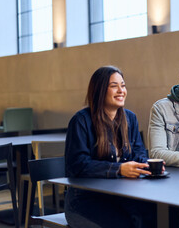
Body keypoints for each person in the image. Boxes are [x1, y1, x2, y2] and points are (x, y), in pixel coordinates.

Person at [64, 66, 156, 228]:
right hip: (85, 201)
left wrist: (146, 166)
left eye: (123, 85)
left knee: (157, 216)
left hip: (122, 196)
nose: (121, 90)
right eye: (114, 86)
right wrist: (119, 169)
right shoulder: (81, 120)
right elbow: (76, 166)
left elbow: (139, 154)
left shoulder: (130, 118)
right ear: (99, 90)